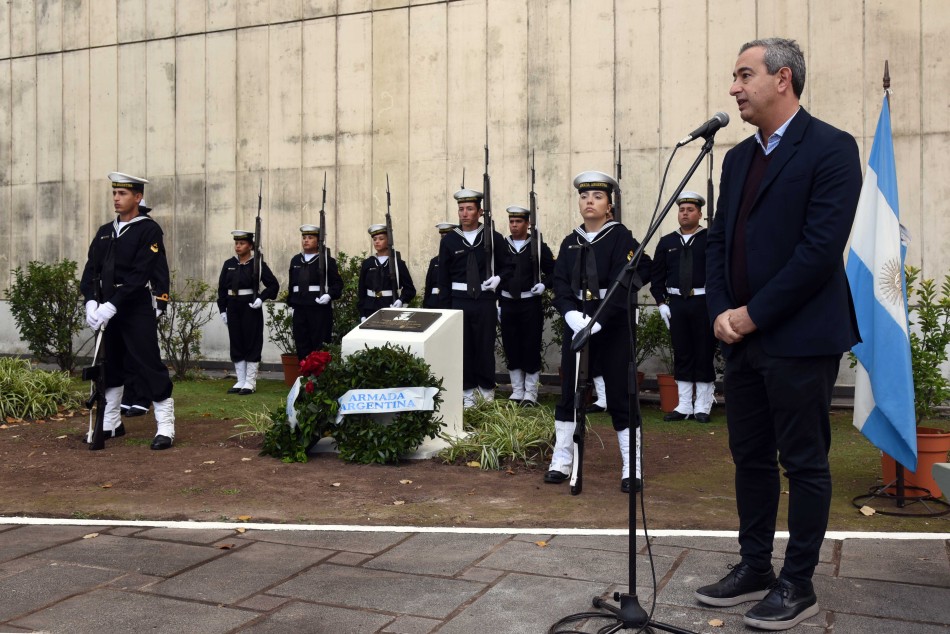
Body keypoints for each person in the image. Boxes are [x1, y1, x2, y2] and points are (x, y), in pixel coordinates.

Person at [695, 38, 862, 631]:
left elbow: (818, 252)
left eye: (744, 75)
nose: (734, 88)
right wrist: (720, 311)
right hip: (739, 336)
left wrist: (751, 314)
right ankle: (754, 566)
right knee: (749, 458)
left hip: (799, 336)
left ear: (782, 79)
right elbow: (718, 243)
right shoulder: (737, 159)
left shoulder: (832, 148)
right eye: (734, 76)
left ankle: (798, 583)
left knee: (804, 461)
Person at [545, 171, 651, 493]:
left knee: (620, 394)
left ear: (609, 206)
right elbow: (560, 283)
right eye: (584, 196)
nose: (589, 201)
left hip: (613, 323)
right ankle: (562, 461)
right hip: (578, 322)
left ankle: (631, 466)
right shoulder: (570, 241)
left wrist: (603, 317)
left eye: (597, 197)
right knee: (568, 394)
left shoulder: (621, 238)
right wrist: (570, 313)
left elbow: (636, 272)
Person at [79, 172, 176, 450]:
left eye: (122, 194)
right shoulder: (104, 232)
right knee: (111, 365)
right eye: (114, 193)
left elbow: (140, 273)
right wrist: (91, 302)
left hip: (134, 308)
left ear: (138, 197)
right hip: (107, 308)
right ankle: (111, 422)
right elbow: (89, 272)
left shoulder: (149, 230)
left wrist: (113, 304)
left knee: (147, 362)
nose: (116, 199)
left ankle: (165, 426)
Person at [649, 191, 717, 423]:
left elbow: (720, 273)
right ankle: (685, 404)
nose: (685, 213)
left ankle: (703, 405)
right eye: (682, 210)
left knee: (704, 352)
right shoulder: (667, 241)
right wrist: (661, 303)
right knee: (682, 352)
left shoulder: (711, 238)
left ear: (699, 214)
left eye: (690, 210)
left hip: (703, 302)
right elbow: (656, 276)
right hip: (677, 303)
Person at [436, 188, 508, 407]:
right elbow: (443, 278)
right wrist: (445, 309)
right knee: (464, 349)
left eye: (469, 209)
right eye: (461, 209)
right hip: (459, 301)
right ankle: (467, 394)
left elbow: (508, 267)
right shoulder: (450, 241)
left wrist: (498, 279)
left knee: (484, 347)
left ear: (480, 211)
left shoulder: (493, 238)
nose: (464, 213)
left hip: (485, 299)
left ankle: (486, 393)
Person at [498, 205, 554, 406]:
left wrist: (544, 285)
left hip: (530, 301)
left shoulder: (538, 247)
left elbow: (555, 272)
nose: (514, 225)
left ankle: (530, 392)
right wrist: (497, 303)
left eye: (518, 221)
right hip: (507, 302)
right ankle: (517, 391)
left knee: (530, 346)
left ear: (527, 224)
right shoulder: (501, 246)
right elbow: (493, 273)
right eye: (511, 222)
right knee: (511, 346)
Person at [120, 199, 170, 419]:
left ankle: (143, 397)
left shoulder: (149, 232)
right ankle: (129, 394)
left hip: (144, 297)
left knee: (143, 352)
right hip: (123, 300)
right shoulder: (121, 231)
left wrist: (161, 300)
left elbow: (160, 269)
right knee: (125, 352)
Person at [216, 230, 279, 394]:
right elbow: (222, 289)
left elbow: (273, 285)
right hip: (233, 306)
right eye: (236, 243)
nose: (238, 246)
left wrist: (261, 298)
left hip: (250, 307)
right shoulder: (229, 263)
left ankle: (250, 382)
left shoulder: (257, 264)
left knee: (252, 342)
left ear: (250, 246)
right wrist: (222, 309)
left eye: (242, 243)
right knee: (236, 342)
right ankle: (241, 380)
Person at [287, 224, 343, 360]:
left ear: (318, 241)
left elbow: (337, 284)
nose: (306, 240)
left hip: (318, 308)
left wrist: (329, 295)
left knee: (320, 344)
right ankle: (305, 375)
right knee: (301, 343)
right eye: (304, 237)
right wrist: (291, 304)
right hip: (300, 307)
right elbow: (292, 284)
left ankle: (319, 378)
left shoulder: (326, 261)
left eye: (310, 237)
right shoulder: (296, 260)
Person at [358, 224, 416, 320]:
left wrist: (401, 300)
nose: (377, 242)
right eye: (375, 239)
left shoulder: (398, 264)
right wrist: (362, 313)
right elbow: (361, 290)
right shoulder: (368, 263)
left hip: (389, 305)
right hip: (369, 307)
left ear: (389, 240)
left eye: (381, 239)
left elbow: (410, 289)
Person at [422, 222, 456, 308]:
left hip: (450, 301)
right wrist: (426, 304)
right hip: (433, 302)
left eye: (446, 237)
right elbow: (428, 286)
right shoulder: (434, 261)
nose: (443, 240)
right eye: (442, 237)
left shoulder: (458, 260)